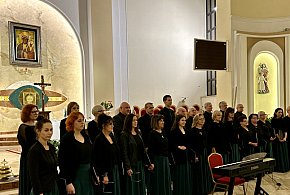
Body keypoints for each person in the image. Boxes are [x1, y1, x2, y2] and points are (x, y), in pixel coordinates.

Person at [58, 112, 94, 195]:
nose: (82, 123)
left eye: (83, 121)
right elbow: (62, 162)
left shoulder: (85, 136)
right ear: (72, 122)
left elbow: (91, 156)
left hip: (87, 174)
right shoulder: (67, 138)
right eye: (79, 121)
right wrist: (68, 182)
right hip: (75, 175)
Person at [119, 114, 150, 195]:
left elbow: (142, 149)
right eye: (133, 120)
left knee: (141, 186)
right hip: (132, 164)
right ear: (129, 122)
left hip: (140, 163)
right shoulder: (124, 134)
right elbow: (124, 152)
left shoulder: (138, 132)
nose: (135, 122)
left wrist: (147, 162)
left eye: (136, 120)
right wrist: (128, 167)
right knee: (133, 187)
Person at [27, 119, 59, 195]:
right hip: (42, 189)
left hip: (53, 187)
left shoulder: (51, 147)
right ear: (38, 131)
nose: (50, 133)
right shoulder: (34, 150)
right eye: (46, 130)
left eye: (51, 130)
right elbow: (33, 175)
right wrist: (39, 192)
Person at [93, 114, 121, 195]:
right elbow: (99, 159)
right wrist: (104, 174)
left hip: (114, 169)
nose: (112, 126)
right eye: (110, 124)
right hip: (107, 171)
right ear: (103, 125)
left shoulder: (112, 136)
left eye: (112, 124)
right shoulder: (99, 139)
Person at [17, 104, 39, 195]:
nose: (36, 113)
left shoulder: (37, 125)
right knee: (28, 182)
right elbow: (28, 144)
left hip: (38, 157)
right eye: (33, 112)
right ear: (27, 113)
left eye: (37, 111)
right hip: (28, 158)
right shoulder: (23, 127)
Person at [188, 113, 212, 195]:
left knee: (205, 171)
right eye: (200, 119)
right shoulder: (193, 131)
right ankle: (199, 190)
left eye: (203, 119)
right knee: (199, 172)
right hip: (198, 153)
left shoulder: (204, 129)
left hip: (205, 152)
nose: (202, 120)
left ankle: (206, 189)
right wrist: (195, 155)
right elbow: (191, 145)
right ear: (196, 120)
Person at [147, 114, 171, 195]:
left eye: (163, 120)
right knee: (159, 180)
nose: (163, 122)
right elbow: (151, 149)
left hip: (165, 159)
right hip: (158, 160)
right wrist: (152, 162)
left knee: (165, 179)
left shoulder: (163, 132)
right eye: (161, 121)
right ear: (155, 122)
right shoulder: (152, 133)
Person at [169, 115, 192, 195]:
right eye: (182, 120)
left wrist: (187, 147)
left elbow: (189, 142)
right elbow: (171, 144)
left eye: (185, 120)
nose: (184, 122)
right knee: (180, 176)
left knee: (187, 175)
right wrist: (178, 147)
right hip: (178, 156)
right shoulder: (174, 131)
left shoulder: (187, 130)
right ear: (178, 121)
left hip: (186, 155)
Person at [271, 108, 290, 172]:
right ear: (275, 113)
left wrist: (285, 138)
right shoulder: (273, 120)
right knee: (279, 153)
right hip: (277, 138)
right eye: (279, 112)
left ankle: (286, 167)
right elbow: (275, 131)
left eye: (281, 112)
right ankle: (279, 168)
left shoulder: (283, 120)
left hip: (284, 137)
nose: (280, 114)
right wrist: (279, 138)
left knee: (284, 153)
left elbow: (285, 130)